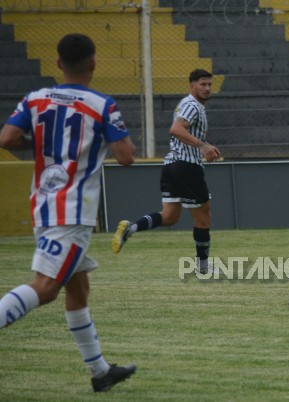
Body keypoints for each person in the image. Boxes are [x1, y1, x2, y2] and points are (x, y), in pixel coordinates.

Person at [0, 33, 137, 391]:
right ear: (93, 63)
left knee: (78, 287)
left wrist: (43, 144)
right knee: (46, 289)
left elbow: (7, 138)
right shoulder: (101, 104)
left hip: (44, 203)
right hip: (73, 211)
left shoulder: (35, 99)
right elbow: (126, 157)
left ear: (58, 63)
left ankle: (100, 372)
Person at [112, 69, 221, 275]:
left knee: (170, 216)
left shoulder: (187, 104)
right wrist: (202, 146)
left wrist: (202, 144)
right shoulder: (192, 105)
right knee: (204, 216)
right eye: (202, 84)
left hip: (171, 166)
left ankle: (131, 228)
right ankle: (203, 266)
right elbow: (176, 129)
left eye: (209, 84)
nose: (207, 88)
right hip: (187, 166)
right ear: (192, 86)